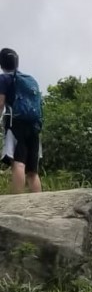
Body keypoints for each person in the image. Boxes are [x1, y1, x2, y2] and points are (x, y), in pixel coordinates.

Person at [0, 47, 43, 193]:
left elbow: (0, 104)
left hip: (16, 125)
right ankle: (39, 203)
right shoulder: (29, 79)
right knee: (32, 171)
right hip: (34, 126)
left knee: (18, 164)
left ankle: (16, 202)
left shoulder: (4, 78)